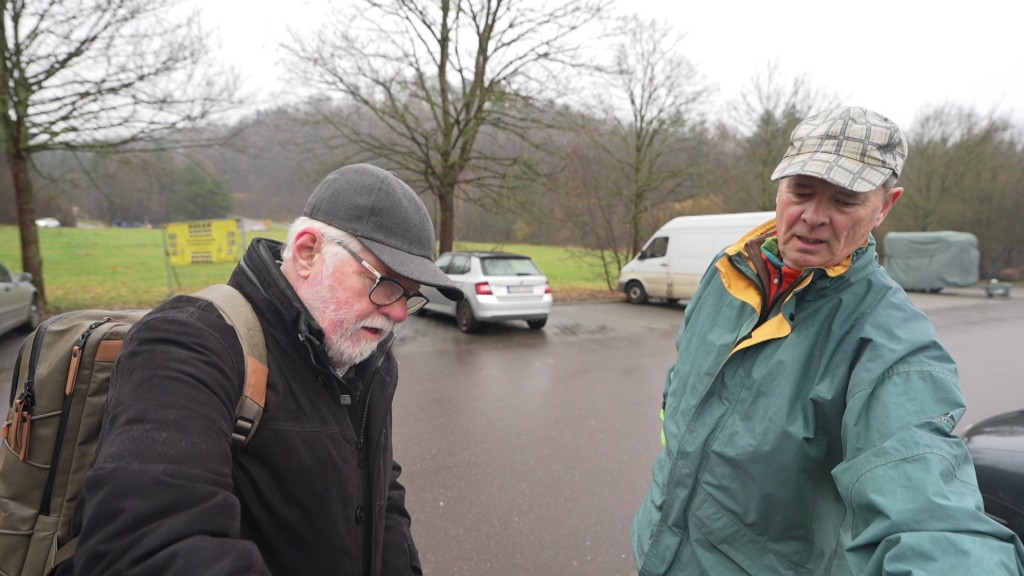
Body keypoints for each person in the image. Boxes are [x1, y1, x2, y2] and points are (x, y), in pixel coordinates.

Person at [631, 106, 1024, 575]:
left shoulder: (890, 342)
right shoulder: (728, 271)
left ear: (885, 206)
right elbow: (683, 390)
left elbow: (928, 507)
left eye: (844, 200)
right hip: (658, 548)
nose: (814, 216)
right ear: (779, 189)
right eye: (801, 191)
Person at [61, 164, 463, 575]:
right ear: (308, 251)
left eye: (410, 295)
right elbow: (143, 549)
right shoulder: (189, 344)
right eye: (386, 284)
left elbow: (383, 495)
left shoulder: (367, 359)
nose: (398, 313)